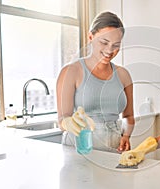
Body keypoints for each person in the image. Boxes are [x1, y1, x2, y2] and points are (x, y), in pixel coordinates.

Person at [56, 11, 134, 153]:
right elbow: (62, 119)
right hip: (79, 149)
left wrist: (126, 136)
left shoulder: (123, 75)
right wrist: (68, 123)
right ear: (90, 37)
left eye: (116, 45)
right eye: (104, 42)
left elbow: (128, 116)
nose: (109, 50)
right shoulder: (71, 72)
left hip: (114, 149)